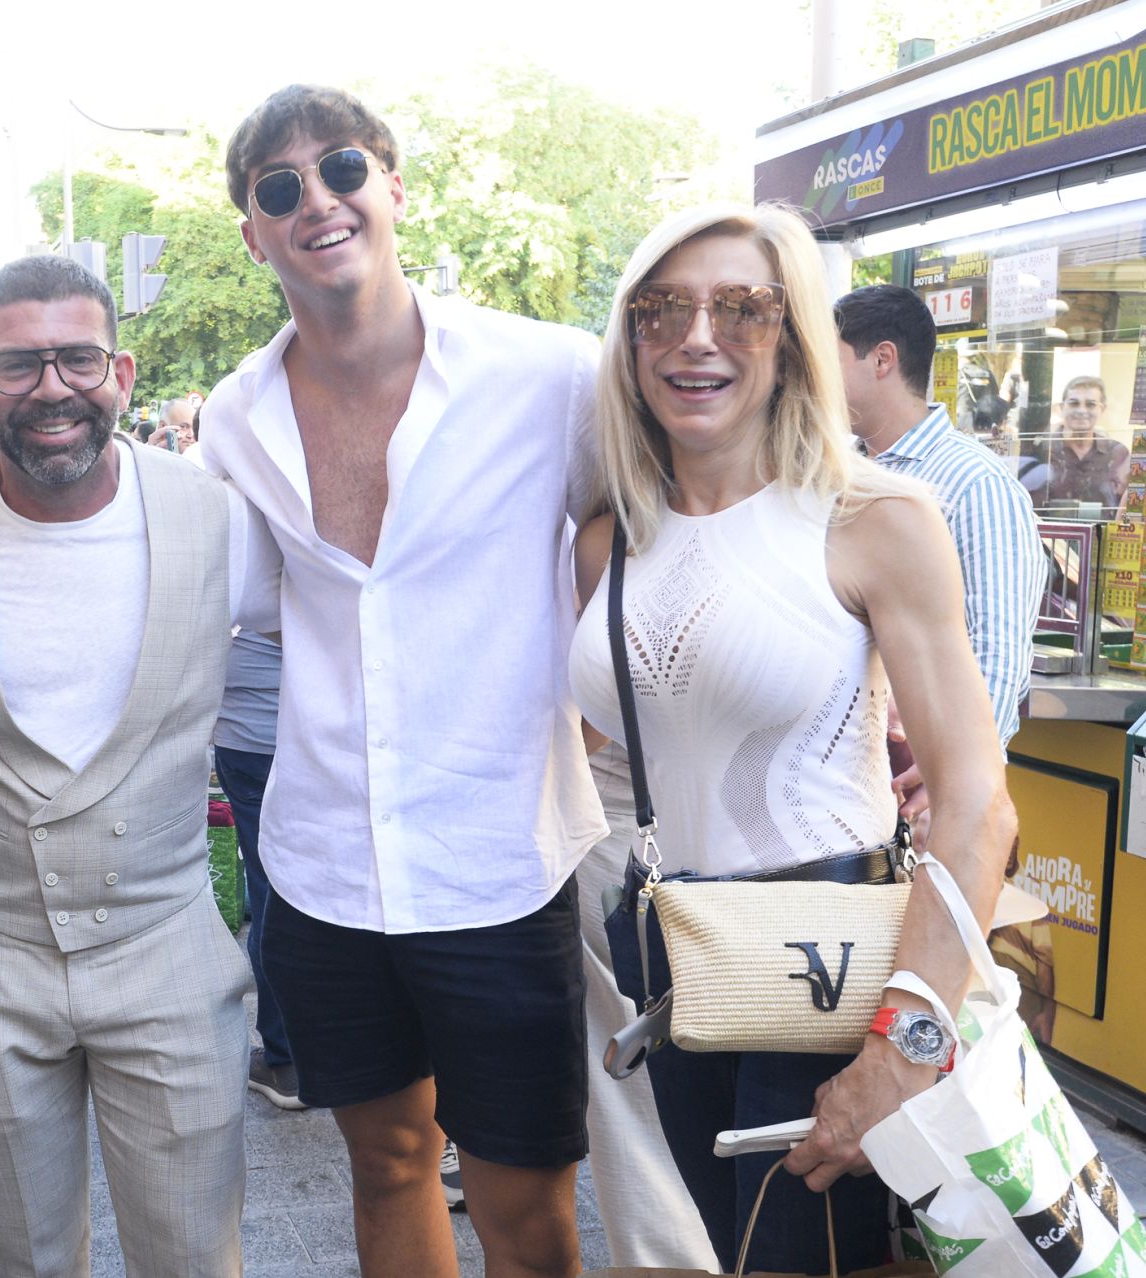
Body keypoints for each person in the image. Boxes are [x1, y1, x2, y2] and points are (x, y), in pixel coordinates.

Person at [200, 84, 605, 1278]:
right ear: (254, 233)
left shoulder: (549, 377)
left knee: (525, 1201)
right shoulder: (235, 416)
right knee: (384, 1168)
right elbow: (254, 604)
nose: (314, 199)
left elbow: (650, 537)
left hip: (497, 856)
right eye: (279, 189)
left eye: (340, 170)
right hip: (325, 861)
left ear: (391, 189)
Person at [569, 203, 1017, 1274]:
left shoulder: (872, 518)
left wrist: (906, 1045)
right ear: (628, 341)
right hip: (681, 963)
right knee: (738, 1254)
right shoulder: (609, 543)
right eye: (661, 309)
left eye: (743, 307)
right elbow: (619, 745)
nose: (698, 336)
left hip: (833, 969)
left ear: (795, 336)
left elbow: (976, 800)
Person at [0, 254, 278, 1276]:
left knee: (191, 1256)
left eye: (77, 359)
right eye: (18, 364)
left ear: (121, 373)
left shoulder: (228, 523)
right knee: (30, 1257)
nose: (51, 387)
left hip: (169, 948)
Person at [835, 284, 1045, 764]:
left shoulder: (975, 483)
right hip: (847, 776)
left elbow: (997, 653)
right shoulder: (843, 471)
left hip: (923, 771)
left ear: (881, 359)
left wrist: (955, 782)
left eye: (831, 360)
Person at [210, 627, 303, 1110]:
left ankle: (288, 1062)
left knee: (273, 892)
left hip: (251, 733)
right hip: (342, 729)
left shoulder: (245, 547)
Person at [1030, 375, 1126, 512]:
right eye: (1074, 403)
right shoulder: (1041, 450)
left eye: (1090, 404)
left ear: (1102, 409)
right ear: (1062, 408)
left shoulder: (1118, 453)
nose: (1081, 411)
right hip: (1046, 533)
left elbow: (1129, 508)